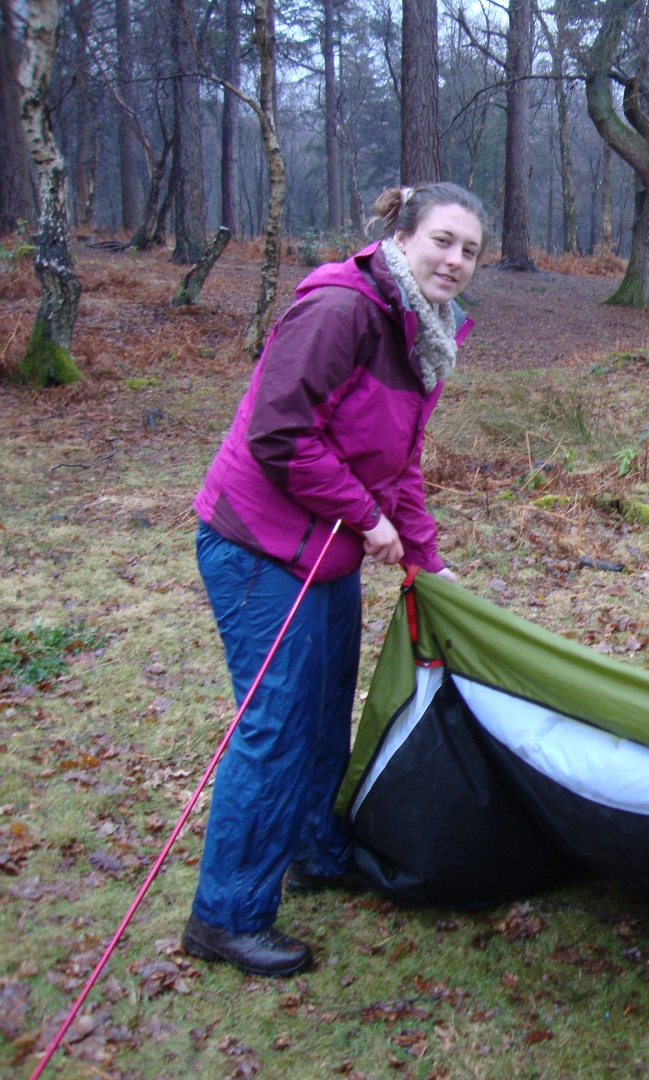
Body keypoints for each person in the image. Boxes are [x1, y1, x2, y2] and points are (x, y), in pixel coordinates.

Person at [182, 182, 486, 976]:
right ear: (404, 235)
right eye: (443, 241)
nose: (455, 260)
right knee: (276, 727)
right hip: (257, 546)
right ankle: (226, 917)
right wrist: (366, 517)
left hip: (325, 551)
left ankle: (317, 851)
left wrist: (426, 557)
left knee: (322, 717)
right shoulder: (342, 308)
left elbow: (402, 465)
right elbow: (279, 433)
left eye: (470, 250)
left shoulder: (429, 332)